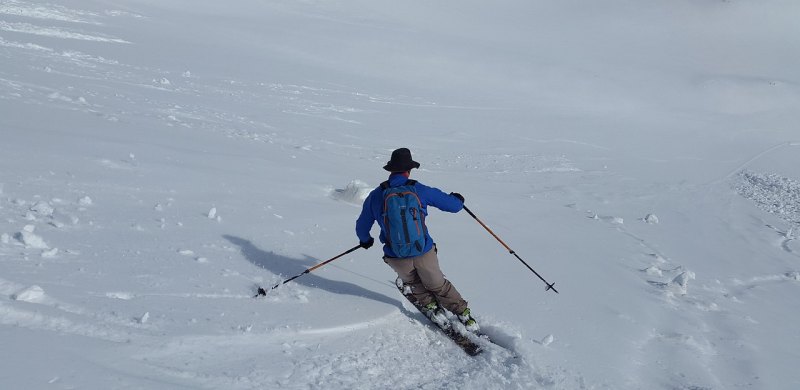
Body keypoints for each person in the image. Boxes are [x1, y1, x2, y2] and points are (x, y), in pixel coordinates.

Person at [356, 148, 478, 331]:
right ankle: (464, 315)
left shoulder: (376, 195)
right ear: (409, 170)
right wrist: (458, 199)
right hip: (423, 250)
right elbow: (453, 206)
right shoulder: (418, 189)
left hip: (396, 254)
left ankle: (431, 307)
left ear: (391, 170)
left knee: (413, 282)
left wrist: (365, 240)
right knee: (438, 284)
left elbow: (362, 225)